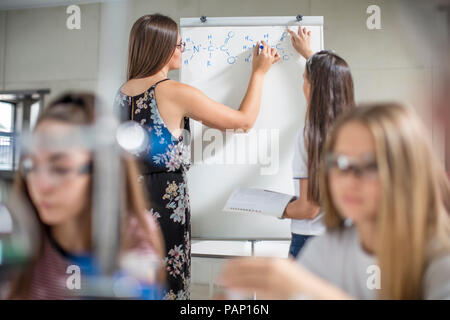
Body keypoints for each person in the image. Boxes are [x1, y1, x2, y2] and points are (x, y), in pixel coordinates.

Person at [114, 13, 280, 299]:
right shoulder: (172, 92)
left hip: (126, 206)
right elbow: (243, 121)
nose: (182, 50)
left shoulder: (120, 94)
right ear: (161, 47)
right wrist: (259, 73)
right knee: (167, 289)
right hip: (164, 210)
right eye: (179, 45)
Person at [218, 103, 450, 299]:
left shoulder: (440, 259)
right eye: (340, 163)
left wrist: (315, 291)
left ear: (407, 170)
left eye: (370, 165)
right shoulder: (328, 248)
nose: (349, 180)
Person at [5, 93, 165, 299]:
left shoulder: (133, 232)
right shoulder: (15, 231)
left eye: (60, 168)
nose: (40, 185)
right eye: (31, 165)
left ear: (100, 173)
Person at [282, 27, 355, 257]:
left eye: (304, 79)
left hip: (311, 244)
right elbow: (332, 77)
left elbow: (308, 208)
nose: (302, 84)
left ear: (313, 87)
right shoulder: (357, 130)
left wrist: (277, 209)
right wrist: (310, 55)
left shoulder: (310, 136)